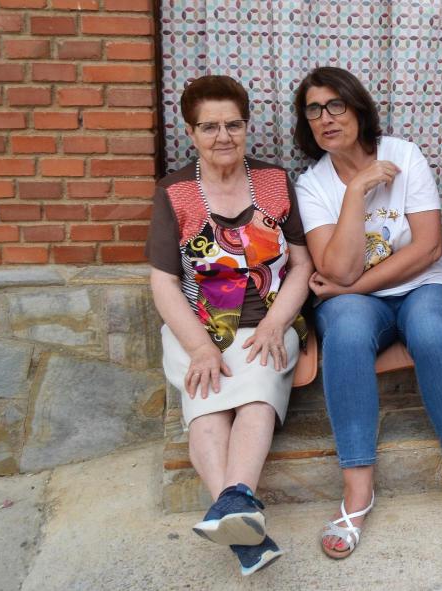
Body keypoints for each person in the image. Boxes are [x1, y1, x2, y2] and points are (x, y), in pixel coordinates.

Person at [292, 66, 442, 558]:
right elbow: (336, 268)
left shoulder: (403, 155)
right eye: (314, 110)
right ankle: (357, 491)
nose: (325, 118)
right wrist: (356, 192)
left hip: (426, 285)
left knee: (431, 333)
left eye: (336, 105)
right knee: (344, 338)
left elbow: (428, 247)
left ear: (358, 109)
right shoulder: (312, 185)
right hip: (356, 303)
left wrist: (350, 286)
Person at [146, 75, 313, 575]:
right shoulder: (175, 192)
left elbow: (302, 264)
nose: (223, 136)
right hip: (198, 328)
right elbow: (163, 281)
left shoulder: (274, 182)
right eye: (210, 126)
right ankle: (242, 521)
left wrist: (277, 322)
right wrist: (199, 347)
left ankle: (234, 508)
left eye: (233, 124)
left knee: (257, 397)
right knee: (207, 408)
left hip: (268, 322)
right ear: (191, 133)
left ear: (246, 126)